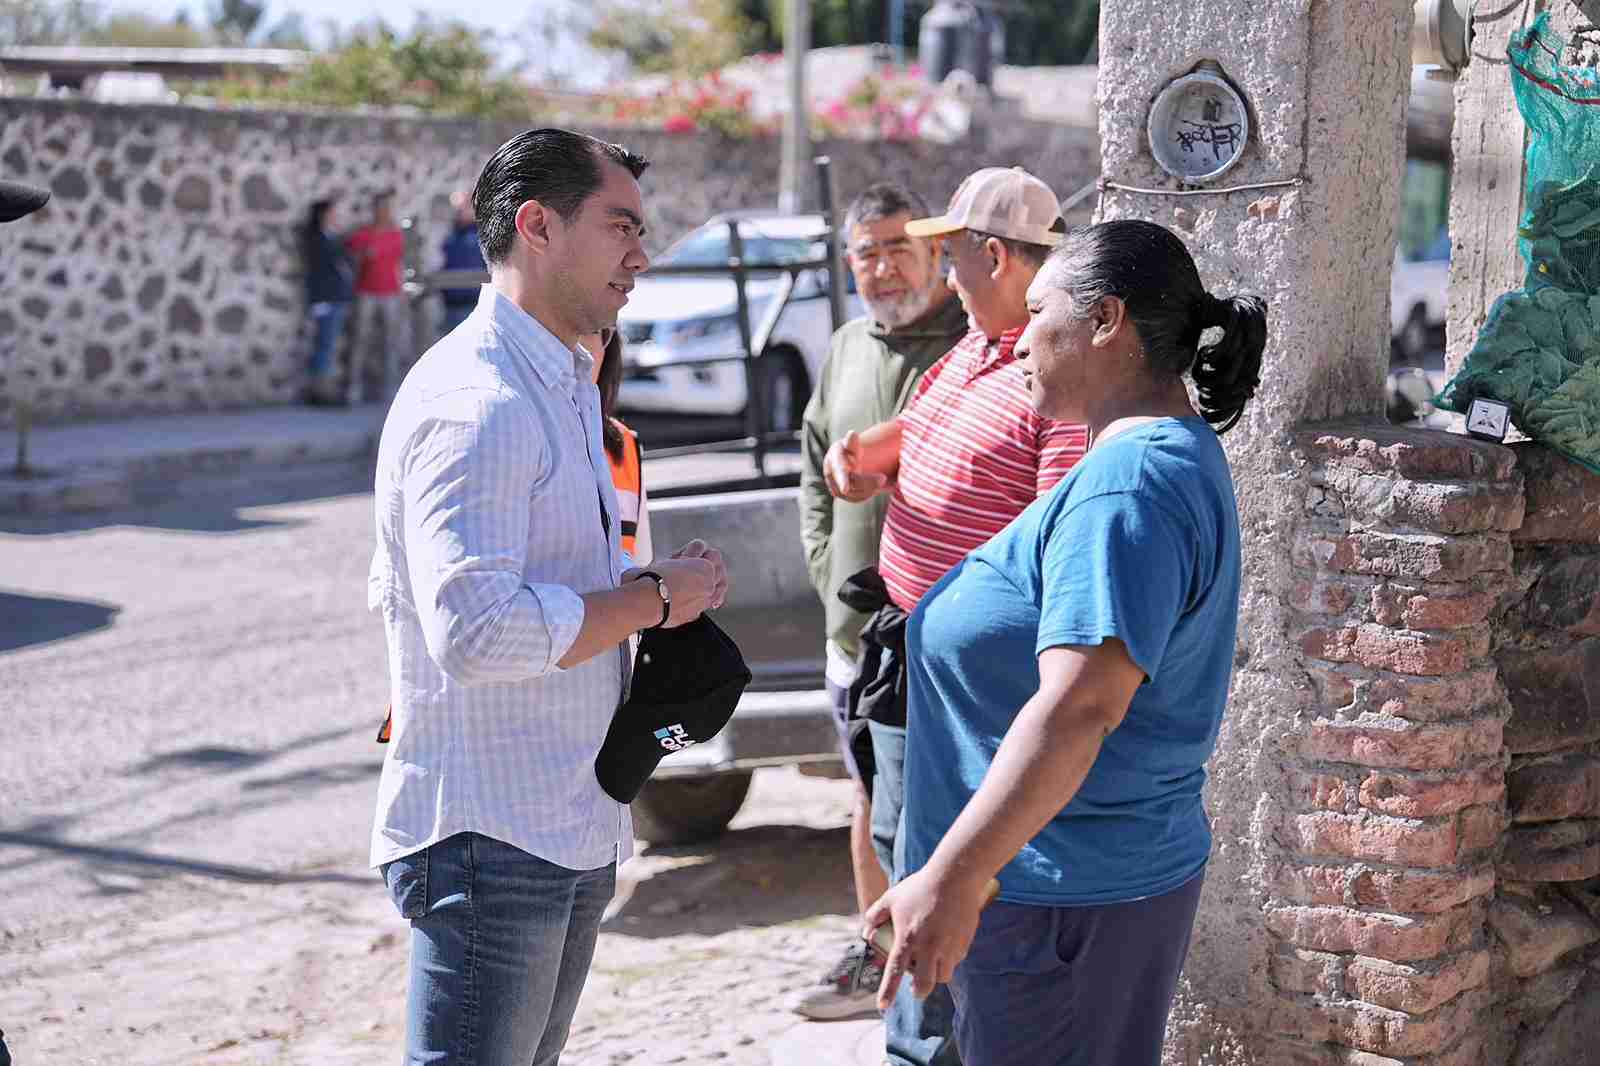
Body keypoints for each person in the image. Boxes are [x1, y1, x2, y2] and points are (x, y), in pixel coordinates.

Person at [367, 127, 730, 1066]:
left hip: (562, 812)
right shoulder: (476, 401)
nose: (641, 256)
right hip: (494, 835)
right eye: (620, 227)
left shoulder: (560, 382)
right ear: (537, 226)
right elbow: (477, 632)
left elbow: (554, 586)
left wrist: (655, 591)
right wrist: (653, 601)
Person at [864, 220, 1266, 1066]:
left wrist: (955, 877)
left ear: (1106, 320)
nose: (1018, 341)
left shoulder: (1128, 486)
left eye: (1039, 313)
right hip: (1058, 895)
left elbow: (1082, 706)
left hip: (1060, 902)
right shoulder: (1149, 459)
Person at [823, 166, 1088, 1066]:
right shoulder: (969, 352)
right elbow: (921, 441)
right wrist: (869, 461)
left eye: (953, 253)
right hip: (909, 652)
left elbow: (1054, 539)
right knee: (901, 842)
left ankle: (933, 1049)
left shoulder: (1050, 375)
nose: (943, 270)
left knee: (940, 872)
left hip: (971, 684)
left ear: (997, 256)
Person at [792, 181, 967, 1022]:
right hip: (853, 631)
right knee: (866, 798)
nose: (885, 267)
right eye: (868, 252)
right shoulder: (845, 348)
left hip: (937, 630)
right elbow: (813, 466)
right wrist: (828, 568)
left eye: (901, 247)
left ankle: (941, 978)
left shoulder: (969, 345)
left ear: (936, 254)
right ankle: (879, 957)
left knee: (935, 805)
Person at [581, 326, 653, 563]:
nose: (579, 350)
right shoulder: (517, 433)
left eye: (591, 330)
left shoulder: (627, 445)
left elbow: (641, 564)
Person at [347, 189, 412, 403]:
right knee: (360, 339)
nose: (383, 211)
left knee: (390, 341)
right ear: (374, 210)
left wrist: (402, 291)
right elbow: (349, 251)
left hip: (390, 293)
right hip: (366, 292)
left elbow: (401, 264)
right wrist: (363, 254)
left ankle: (389, 388)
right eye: (380, 207)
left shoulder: (396, 235)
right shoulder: (364, 233)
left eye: (386, 207)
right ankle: (353, 387)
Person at [300, 197, 354, 406]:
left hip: (336, 298)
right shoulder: (317, 240)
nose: (335, 216)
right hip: (326, 300)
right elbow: (317, 273)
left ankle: (323, 389)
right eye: (331, 213)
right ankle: (320, 391)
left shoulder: (332, 237)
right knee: (324, 346)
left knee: (328, 346)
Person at [440, 189, 486, 336]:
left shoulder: (482, 235)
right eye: (457, 208)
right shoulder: (448, 235)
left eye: (464, 206)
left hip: (475, 303)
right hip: (451, 304)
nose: (460, 211)